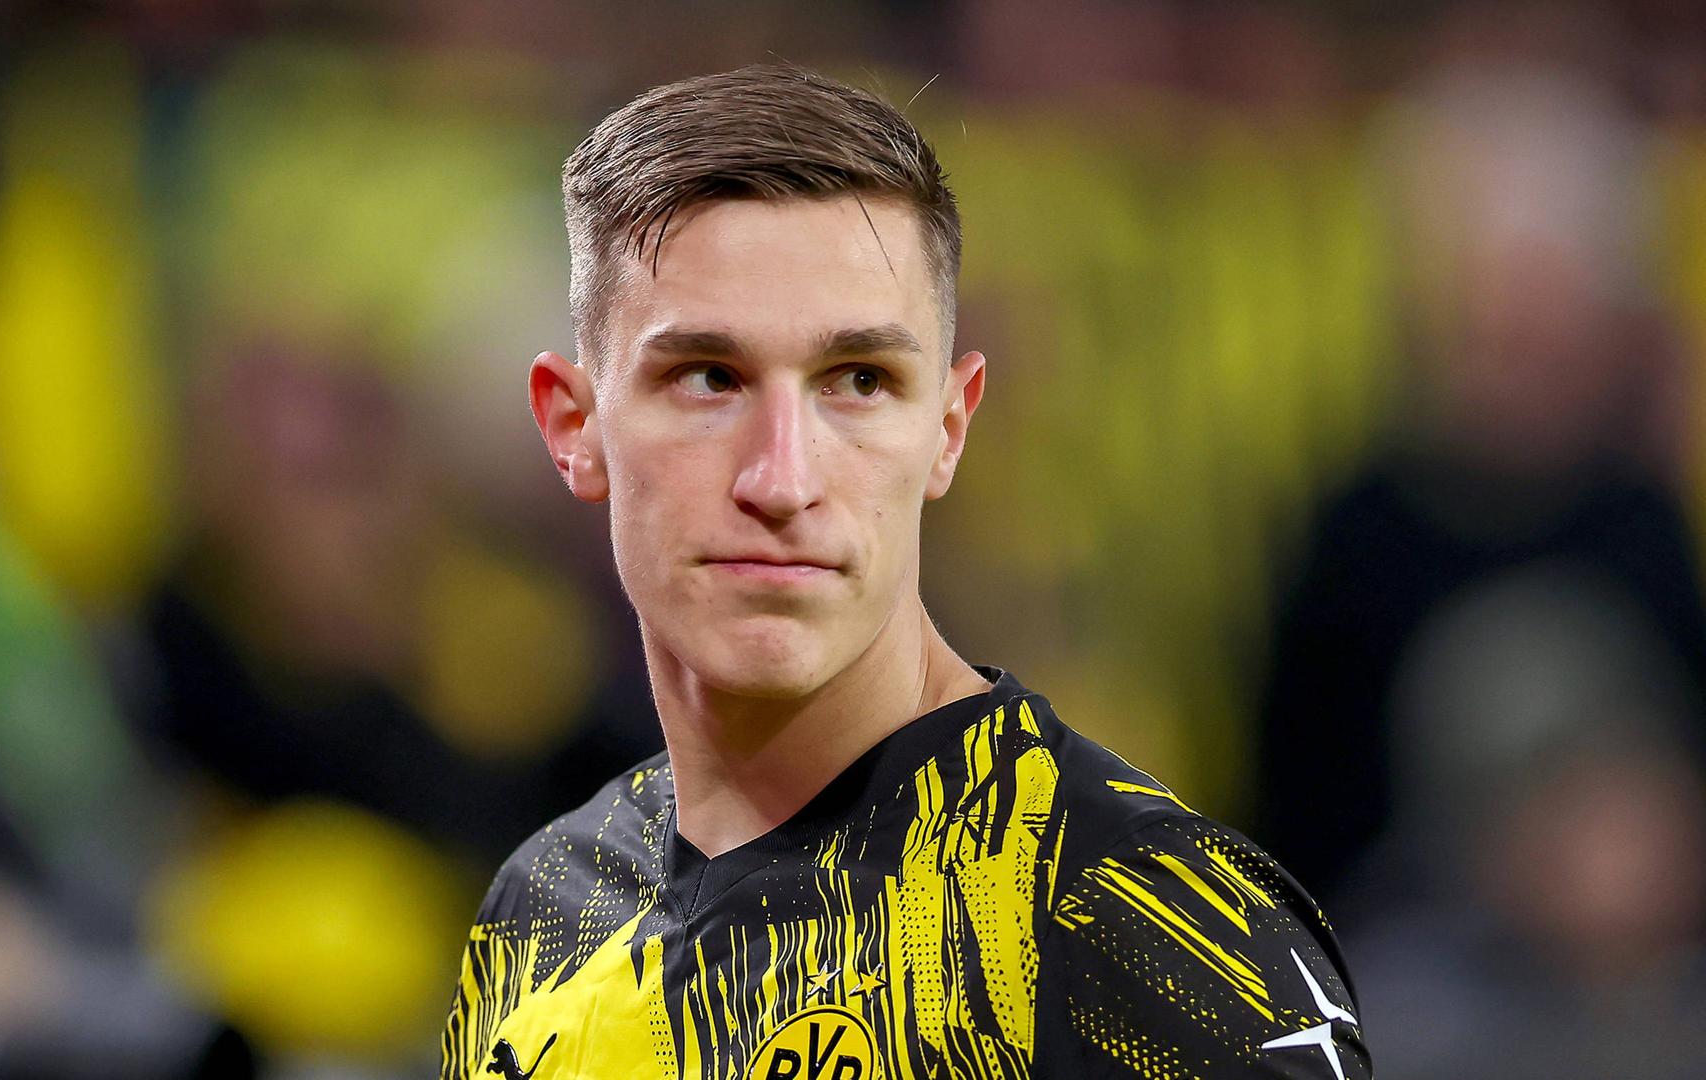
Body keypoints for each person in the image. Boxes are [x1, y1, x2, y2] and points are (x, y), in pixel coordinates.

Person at [440, 65, 1368, 1079]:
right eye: (709, 377)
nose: (782, 479)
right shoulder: (541, 913)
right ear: (573, 428)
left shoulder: (1143, 930)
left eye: (859, 381)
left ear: (949, 429)